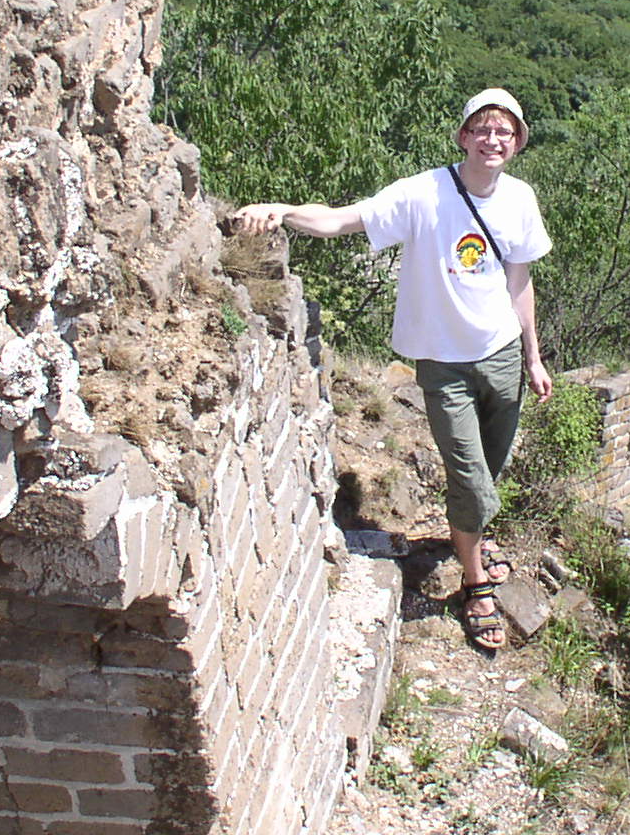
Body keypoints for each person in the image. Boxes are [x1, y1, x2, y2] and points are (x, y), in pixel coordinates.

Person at [229, 88, 553, 651]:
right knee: (471, 478)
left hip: (501, 353)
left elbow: (519, 281)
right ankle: (475, 584)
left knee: (488, 468)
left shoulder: (520, 198)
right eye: (482, 129)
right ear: (463, 137)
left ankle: (469, 533)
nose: (492, 139)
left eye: (504, 131)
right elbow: (341, 220)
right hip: (444, 363)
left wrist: (533, 355)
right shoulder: (423, 193)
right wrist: (282, 211)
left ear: (518, 143)